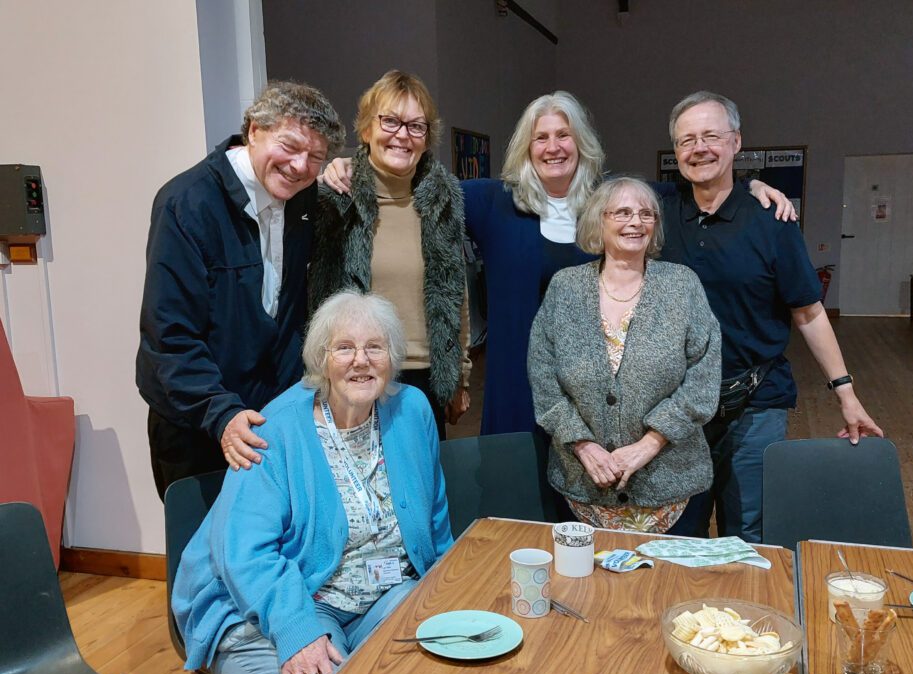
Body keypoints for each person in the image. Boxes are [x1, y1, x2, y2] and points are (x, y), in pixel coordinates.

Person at [322, 91, 792, 436]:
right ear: (526, 147)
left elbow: (698, 185)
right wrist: (349, 165)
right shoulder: (492, 202)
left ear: (579, 141)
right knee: (518, 511)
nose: (552, 146)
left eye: (562, 135)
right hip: (516, 384)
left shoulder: (612, 201)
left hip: (597, 386)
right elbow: (410, 185)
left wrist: (752, 187)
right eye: (540, 137)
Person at [172, 290, 453, 674]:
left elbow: (434, 519)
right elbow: (245, 553)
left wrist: (449, 597)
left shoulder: (411, 411)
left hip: (378, 598)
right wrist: (296, 629)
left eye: (374, 347)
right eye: (344, 348)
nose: (360, 360)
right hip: (273, 602)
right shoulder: (276, 428)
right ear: (321, 359)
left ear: (393, 356)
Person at [660, 91, 883, 542]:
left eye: (711, 136)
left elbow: (809, 312)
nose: (699, 148)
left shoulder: (771, 219)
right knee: (678, 534)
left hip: (755, 403)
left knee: (750, 534)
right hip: (677, 409)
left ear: (736, 142)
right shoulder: (658, 213)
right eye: (686, 140)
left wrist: (846, 393)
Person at [137, 81, 344, 500]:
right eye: (289, 145)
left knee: (268, 550)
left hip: (268, 421)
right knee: (204, 556)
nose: (300, 166)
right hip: (199, 426)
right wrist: (222, 414)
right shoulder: (187, 204)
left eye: (316, 158)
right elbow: (170, 336)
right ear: (253, 130)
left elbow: (285, 318)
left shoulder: (303, 201)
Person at [528, 178, 721, 533]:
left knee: (671, 589)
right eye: (623, 212)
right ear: (598, 222)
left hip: (671, 487)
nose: (636, 222)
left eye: (646, 214)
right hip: (582, 488)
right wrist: (583, 445)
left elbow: (703, 379)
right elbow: (543, 377)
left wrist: (649, 444)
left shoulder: (682, 285)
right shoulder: (565, 288)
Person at [308, 70, 470, 440]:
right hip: (353, 375)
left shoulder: (442, 200)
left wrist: (459, 375)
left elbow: (454, 291)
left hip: (425, 378)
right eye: (391, 121)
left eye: (416, 126)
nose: (402, 135)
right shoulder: (335, 200)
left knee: (419, 491)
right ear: (366, 129)